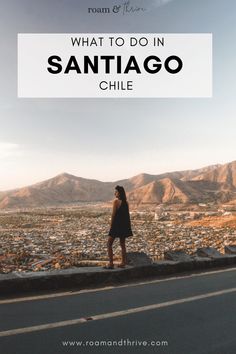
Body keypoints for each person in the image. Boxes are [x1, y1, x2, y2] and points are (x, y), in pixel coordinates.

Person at [104, 185, 133, 269]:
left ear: (119, 193)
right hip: (124, 226)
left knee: (109, 244)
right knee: (122, 244)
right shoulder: (126, 203)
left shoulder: (116, 202)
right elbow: (127, 216)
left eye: (116, 192)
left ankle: (111, 263)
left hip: (116, 225)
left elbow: (113, 215)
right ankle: (123, 263)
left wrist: (111, 225)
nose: (114, 193)